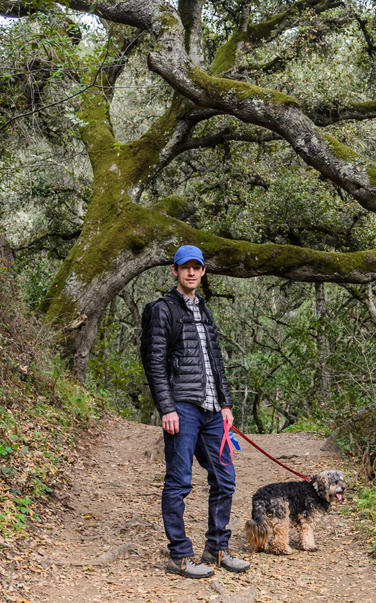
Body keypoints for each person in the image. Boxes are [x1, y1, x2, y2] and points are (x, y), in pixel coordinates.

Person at [142, 244, 251, 578]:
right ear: (174, 271)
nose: (191, 272)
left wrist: (226, 403)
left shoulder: (204, 309)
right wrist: (166, 407)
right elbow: (153, 362)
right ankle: (180, 556)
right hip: (182, 408)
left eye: (197, 267)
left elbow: (215, 360)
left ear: (203, 272)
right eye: (184, 267)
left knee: (225, 478)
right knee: (179, 481)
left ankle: (217, 549)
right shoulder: (162, 309)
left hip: (212, 409)